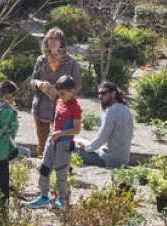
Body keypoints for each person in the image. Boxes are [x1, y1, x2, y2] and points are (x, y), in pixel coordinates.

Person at [29, 27, 81, 158]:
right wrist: (39, 84)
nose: (53, 42)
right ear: (46, 41)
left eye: (56, 39)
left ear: (61, 42)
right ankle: (43, 171)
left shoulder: (70, 62)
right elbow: (32, 80)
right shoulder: (41, 60)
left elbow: (78, 85)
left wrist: (59, 90)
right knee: (42, 144)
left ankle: (60, 171)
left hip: (63, 108)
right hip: (42, 107)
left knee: (61, 144)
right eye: (50, 38)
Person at [31, 75, 81, 209]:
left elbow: (77, 130)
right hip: (52, 140)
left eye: (64, 93)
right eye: (59, 93)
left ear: (72, 91)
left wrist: (60, 133)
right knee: (44, 168)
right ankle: (43, 197)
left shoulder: (75, 107)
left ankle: (61, 199)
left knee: (61, 173)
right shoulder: (59, 100)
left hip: (64, 144)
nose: (61, 96)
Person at [76, 82, 134, 169]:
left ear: (113, 94)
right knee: (84, 142)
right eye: (99, 93)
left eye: (103, 93)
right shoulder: (125, 109)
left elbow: (102, 137)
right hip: (122, 160)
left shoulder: (111, 111)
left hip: (108, 160)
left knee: (70, 149)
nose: (100, 96)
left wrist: (86, 147)